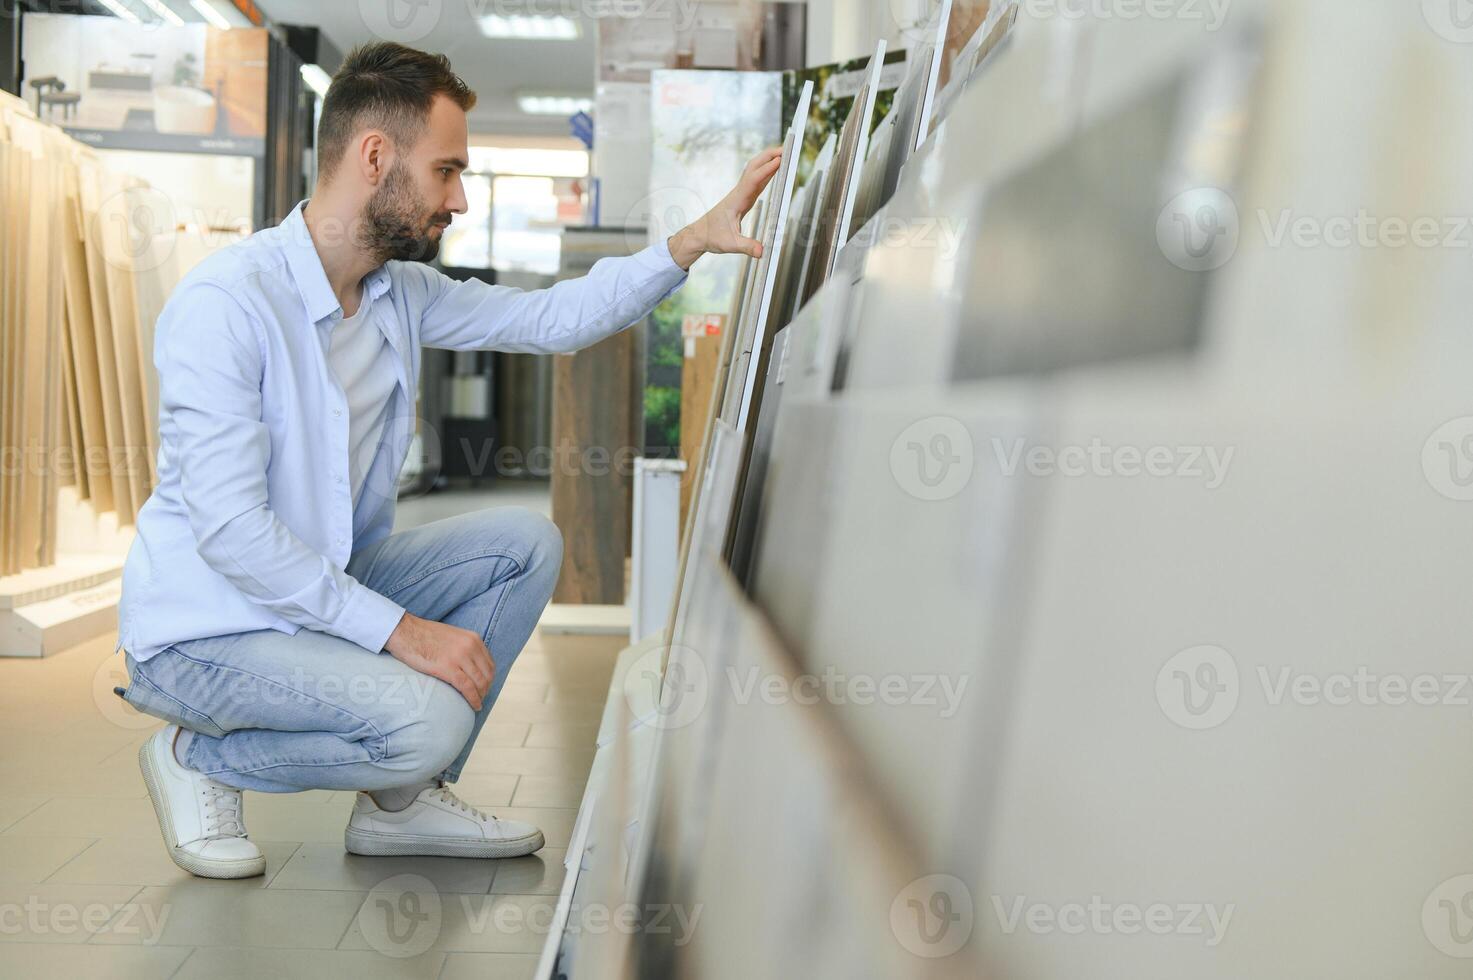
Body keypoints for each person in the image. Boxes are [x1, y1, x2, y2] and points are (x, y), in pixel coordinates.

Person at [113, 41, 782, 879]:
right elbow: (233, 535)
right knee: (426, 720)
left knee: (523, 544)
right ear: (374, 157)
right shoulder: (227, 304)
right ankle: (197, 760)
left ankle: (402, 802)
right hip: (207, 631)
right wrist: (402, 634)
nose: (459, 200)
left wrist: (685, 245)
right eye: (447, 171)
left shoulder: (400, 292)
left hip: (314, 589)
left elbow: (552, 321)